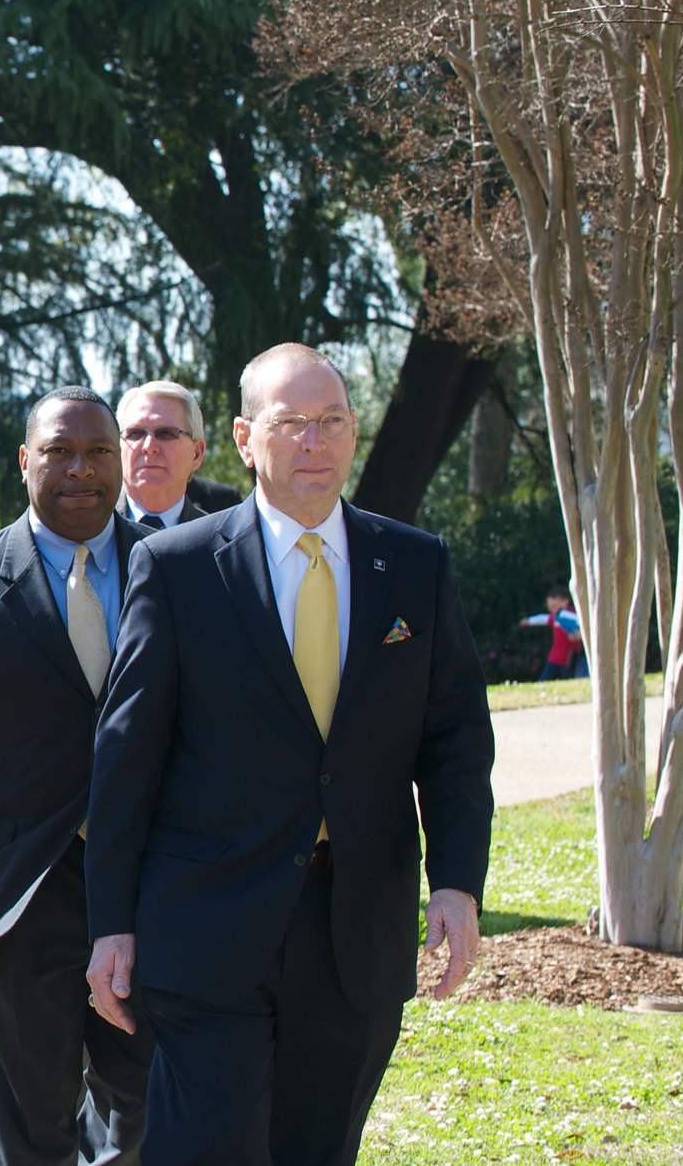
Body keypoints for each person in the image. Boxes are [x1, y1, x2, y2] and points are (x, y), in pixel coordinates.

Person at [83, 342, 496, 1166]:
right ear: (244, 438)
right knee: (205, 1150)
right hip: (208, 925)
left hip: (356, 930)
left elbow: (454, 737)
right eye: (292, 422)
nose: (316, 441)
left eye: (333, 420)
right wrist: (111, 923)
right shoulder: (178, 566)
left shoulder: (414, 564)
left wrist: (457, 880)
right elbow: (127, 754)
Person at [0, 387, 156, 1166]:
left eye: (98, 451)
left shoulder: (180, 569)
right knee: (26, 1123)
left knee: (147, 1108)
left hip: (154, 881)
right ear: (25, 460)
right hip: (16, 889)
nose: (80, 469)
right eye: (59, 450)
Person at [117, 381, 212, 531]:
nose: (149, 447)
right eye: (135, 433)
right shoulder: (87, 532)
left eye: (165, 433)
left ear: (196, 453)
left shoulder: (219, 539)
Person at [521, 585, 587, 680]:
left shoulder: (571, 616)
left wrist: (578, 636)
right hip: (555, 658)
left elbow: (582, 628)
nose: (551, 609)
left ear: (565, 602)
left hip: (568, 659)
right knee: (544, 680)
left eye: (554, 606)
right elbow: (543, 618)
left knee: (569, 680)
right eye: (549, 607)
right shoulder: (555, 617)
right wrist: (529, 621)